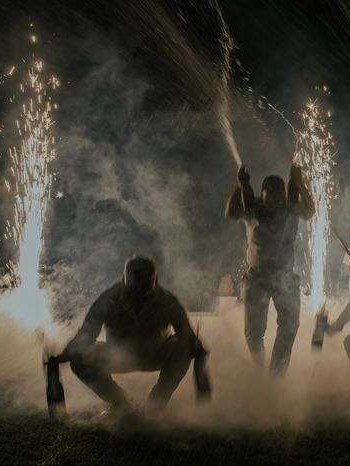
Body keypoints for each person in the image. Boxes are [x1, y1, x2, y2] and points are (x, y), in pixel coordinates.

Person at [57, 255, 206, 418]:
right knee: (79, 360)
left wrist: (196, 346)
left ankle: (155, 406)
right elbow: (86, 333)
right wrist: (67, 352)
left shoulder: (167, 300)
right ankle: (120, 403)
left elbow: (186, 334)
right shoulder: (108, 298)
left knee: (184, 347)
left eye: (144, 285)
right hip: (117, 356)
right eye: (135, 285)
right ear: (125, 278)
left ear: (154, 280)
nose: (138, 293)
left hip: (156, 354)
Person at [225, 158, 315, 375]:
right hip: (257, 277)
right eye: (270, 197)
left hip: (285, 276)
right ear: (262, 194)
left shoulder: (290, 208)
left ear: (284, 195)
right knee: (254, 333)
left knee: (290, 326)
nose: (275, 202)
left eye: (279, 197)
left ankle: (276, 375)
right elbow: (230, 213)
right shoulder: (253, 207)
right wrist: (240, 186)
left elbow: (310, 210)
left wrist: (299, 183)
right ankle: (259, 371)